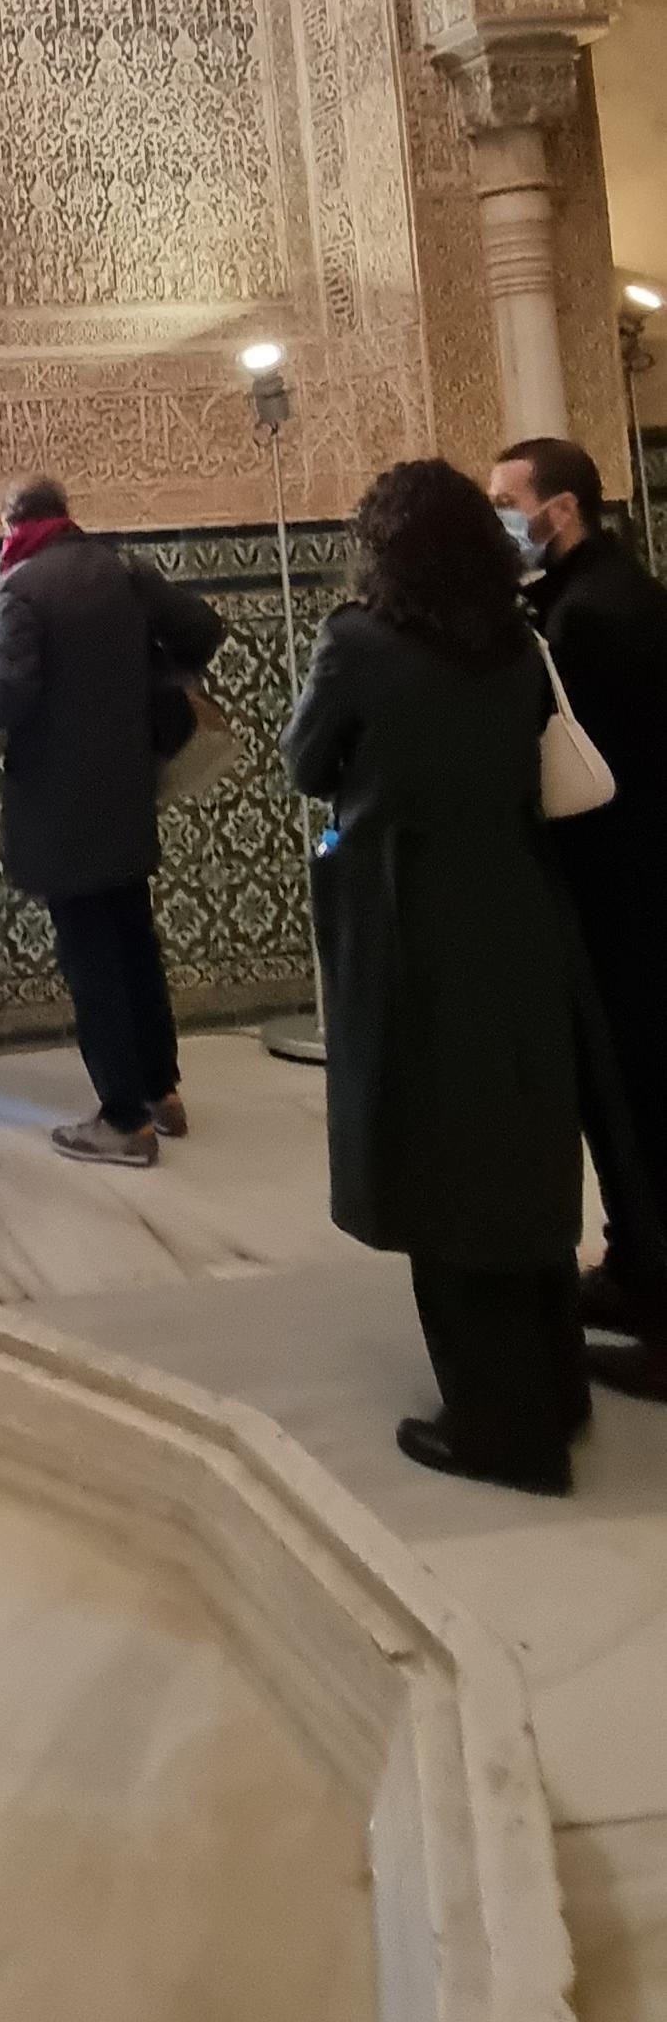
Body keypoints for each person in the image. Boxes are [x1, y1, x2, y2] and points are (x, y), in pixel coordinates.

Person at [286, 459, 591, 1494]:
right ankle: (557, 1387)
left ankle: (504, 1432)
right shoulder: (517, 641)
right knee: (520, 1140)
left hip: (410, 920)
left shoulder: (358, 643)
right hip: (519, 906)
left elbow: (306, 763)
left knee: (439, 1160)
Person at [489, 435, 667, 1388]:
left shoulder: (596, 612)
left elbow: (593, 774)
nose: (501, 520)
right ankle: (636, 1268)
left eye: (507, 501)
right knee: (617, 1096)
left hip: (627, 897)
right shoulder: (585, 595)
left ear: (559, 509)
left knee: (642, 1099)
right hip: (617, 893)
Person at [0, 477, 222, 1167]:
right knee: (134, 942)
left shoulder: (23, 588)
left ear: (14, 524)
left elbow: (10, 697)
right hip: (126, 789)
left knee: (91, 959)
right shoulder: (123, 569)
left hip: (61, 806)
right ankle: (161, 1092)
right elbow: (205, 630)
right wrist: (154, 678)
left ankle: (122, 1119)